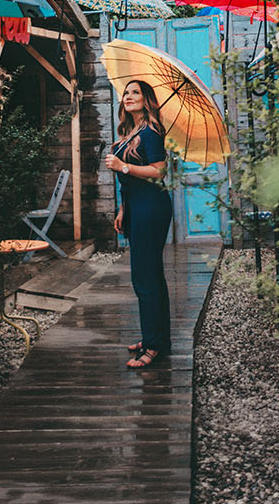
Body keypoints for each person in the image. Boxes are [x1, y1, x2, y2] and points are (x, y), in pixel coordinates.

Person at [106, 80, 171, 369]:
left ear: (147, 99)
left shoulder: (152, 131)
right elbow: (127, 183)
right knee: (148, 276)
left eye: (135, 93)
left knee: (145, 278)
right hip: (135, 207)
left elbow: (159, 171)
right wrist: (122, 209)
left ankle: (154, 345)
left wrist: (123, 166)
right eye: (126, 93)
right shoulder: (128, 132)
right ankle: (154, 337)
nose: (128, 96)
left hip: (151, 207)